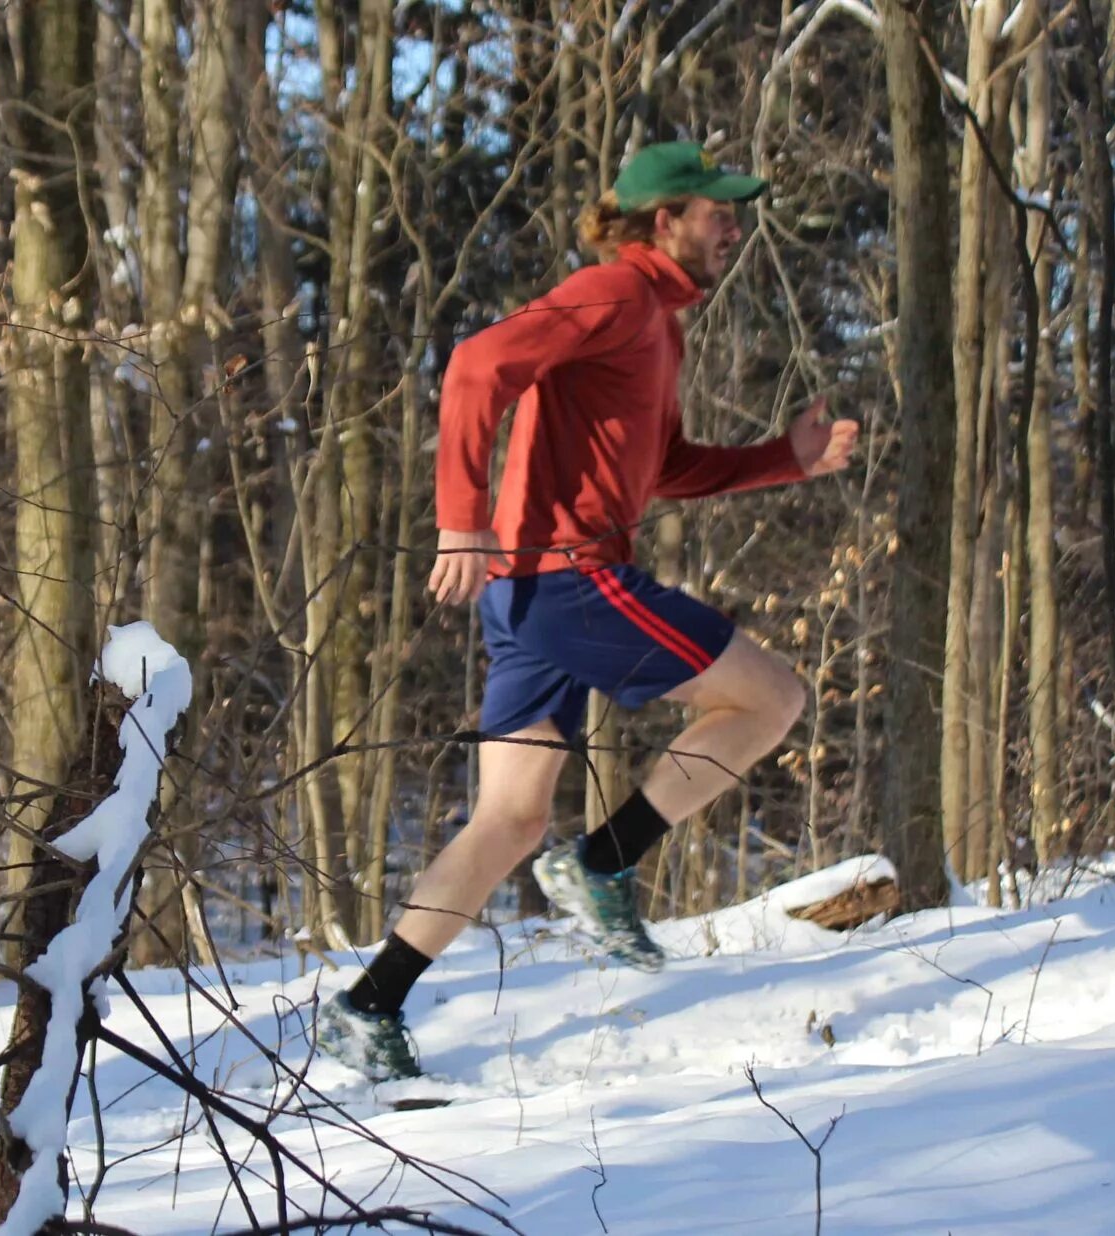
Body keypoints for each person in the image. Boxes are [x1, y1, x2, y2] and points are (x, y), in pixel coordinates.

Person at [313, 141, 860, 1082]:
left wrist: (786, 460)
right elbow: (478, 366)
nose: (733, 225)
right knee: (770, 700)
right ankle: (605, 862)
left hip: (530, 595)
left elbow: (668, 467)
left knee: (510, 822)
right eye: (715, 210)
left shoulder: (657, 325)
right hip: (567, 579)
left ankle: (370, 1004)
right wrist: (461, 521)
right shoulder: (616, 295)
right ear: (663, 221)